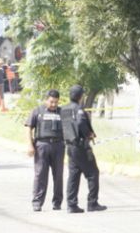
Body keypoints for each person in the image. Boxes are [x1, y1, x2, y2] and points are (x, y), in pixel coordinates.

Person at [60, 85, 107, 213]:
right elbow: (80, 123)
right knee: (93, 173)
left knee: (74, 175)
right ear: (81, 96)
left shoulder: (63, 109)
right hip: (81, 146)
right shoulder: (79, 109)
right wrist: (88, 134)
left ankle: (71, 204)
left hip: (70, 146)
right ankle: (92, 203)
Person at [25, 89, 65, 211]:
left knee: (58, 176)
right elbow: (28, 127)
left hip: (58, 146)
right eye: (51, 102)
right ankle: (37, 202)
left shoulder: (62, 112)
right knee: (40, 175)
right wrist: (30, 145)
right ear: (46, 100)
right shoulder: (37, 111)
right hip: (42, 145)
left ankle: (57, 202)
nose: (53, 105)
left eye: (56, 102)